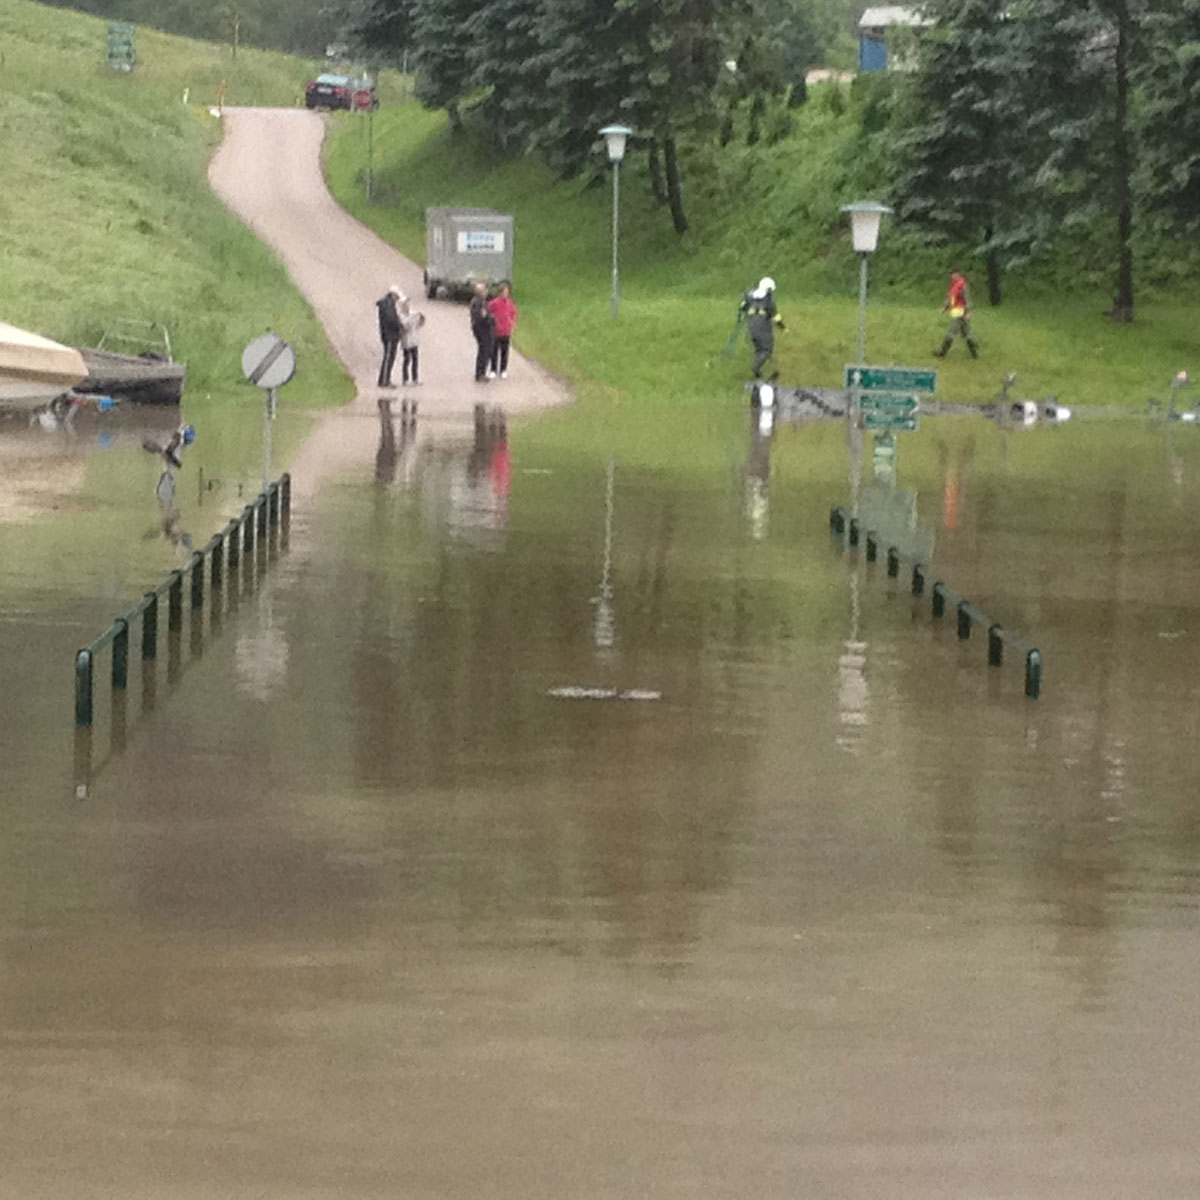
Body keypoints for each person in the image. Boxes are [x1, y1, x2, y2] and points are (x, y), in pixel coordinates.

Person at [740, 276, 785, 378]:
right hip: (763, 329)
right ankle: (755, 367)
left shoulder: (750, 297)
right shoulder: (769, 302)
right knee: (767, 350)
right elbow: (776, 317)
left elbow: (742, 307)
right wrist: (783, 328)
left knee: (758, 349)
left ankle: (757, 372)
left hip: (751, 329)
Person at [933, 269, 979, 358]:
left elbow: (967, 299)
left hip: (961, 313)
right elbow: (951, 298)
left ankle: (942, 351)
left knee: (950, 332)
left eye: (954, 275)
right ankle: (975, 351)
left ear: (958, 275)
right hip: (956, 312)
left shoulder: (963, 285)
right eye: (951, 275)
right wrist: (945, 307)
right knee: (967, 333)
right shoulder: (954, 286)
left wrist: (968, 311)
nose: (952, 277)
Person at [486, 281, 518, 379]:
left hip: (506, 331)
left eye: (507, 292)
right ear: (500, 293)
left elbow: (513, 313)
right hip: (496, 330)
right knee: (494, 351)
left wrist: (511, 323)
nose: (505, 294)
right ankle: (493, 369)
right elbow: (488, 310)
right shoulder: (495, 303)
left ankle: (503, 370)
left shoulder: (510, 303)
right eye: (503, 292)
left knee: (505, 352)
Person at [376, 284, 402, 386]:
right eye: (396, 297)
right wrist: (399, 325)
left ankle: (386, 379)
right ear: (392, 295)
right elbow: (390, 320)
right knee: (388, 358)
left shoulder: (389, 305)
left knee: (390, 357)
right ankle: (384, 380)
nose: (397, 299)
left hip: (392, 335)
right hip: (389, 335)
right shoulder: (387, 306)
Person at [397, 295, 425, 385]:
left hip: (414, 339)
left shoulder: (413, 313)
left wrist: (421, 319)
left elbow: (419, 325)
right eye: (406, 303)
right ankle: (405, 379)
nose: (408, 305)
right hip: (406, 340)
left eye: (408, 303)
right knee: (407, 360)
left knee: (415, 360)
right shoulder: (400, 315)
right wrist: (412, 319)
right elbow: (405, 326)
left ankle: (415, 378)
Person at [469, 281, 494, 382]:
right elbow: (482, 316)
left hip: (478, 327)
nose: (487, 291)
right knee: (485, 350)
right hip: (482, 328)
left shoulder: (477, 301)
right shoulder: (480, 302)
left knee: (482, 350)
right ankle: (481, 373)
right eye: (485, 289)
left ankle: (479, 372)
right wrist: (491, 319)